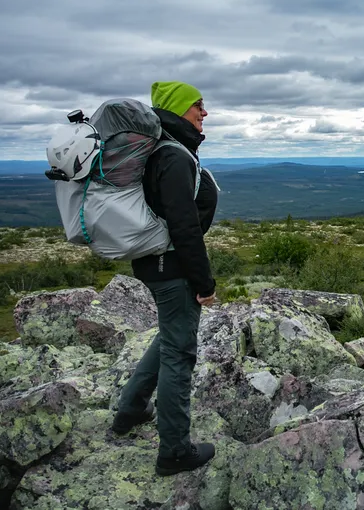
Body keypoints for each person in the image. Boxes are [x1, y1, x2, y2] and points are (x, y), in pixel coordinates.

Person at [111, 80, 219, 476]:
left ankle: (131, 409)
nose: (204, 113)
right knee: (179, 353)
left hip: (157, 265)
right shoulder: (173, 156)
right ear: (177, 108)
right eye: (198, 105)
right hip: (170, 268)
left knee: (169, 336)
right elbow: (183, 226)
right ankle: (174, 451)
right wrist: (203, 281)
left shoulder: (164, 150)